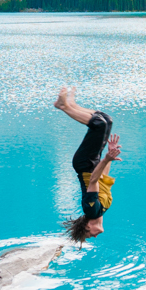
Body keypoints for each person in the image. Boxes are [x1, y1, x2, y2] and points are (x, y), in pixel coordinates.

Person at [54, 87, 121, 240]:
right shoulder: (102, 208)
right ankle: (72, 105)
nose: (94, 236)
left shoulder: (91, 210)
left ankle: (63, 106)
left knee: (99, 125)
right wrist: (108, 155)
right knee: (106, 120)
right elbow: (104, 178)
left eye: (89, 234)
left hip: (85, 164)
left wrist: (106, 159)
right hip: (94, 163)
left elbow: (93, 180)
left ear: (87, 225)